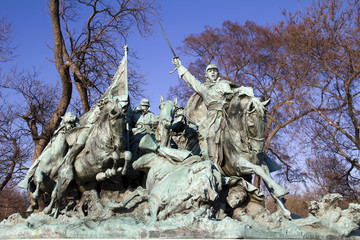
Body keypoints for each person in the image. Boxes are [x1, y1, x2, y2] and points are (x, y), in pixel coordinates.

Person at [172, 58, 238, 168]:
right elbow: (191, 81)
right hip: (211, 118)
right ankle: (211, 161)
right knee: (208, 138)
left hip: (227, 114)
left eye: (215, 70)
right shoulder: (204, 88)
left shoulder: (224, 84)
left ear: (218, 73)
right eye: (210, 71)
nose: (212, 72)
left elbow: (233, 98)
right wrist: (180, 67)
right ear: (206, 74)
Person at [18, 112, 78, 189]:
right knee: (38, 160)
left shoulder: (72, 131)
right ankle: (26, 179)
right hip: (53, 147)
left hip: (64, 150)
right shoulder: (60, 130)